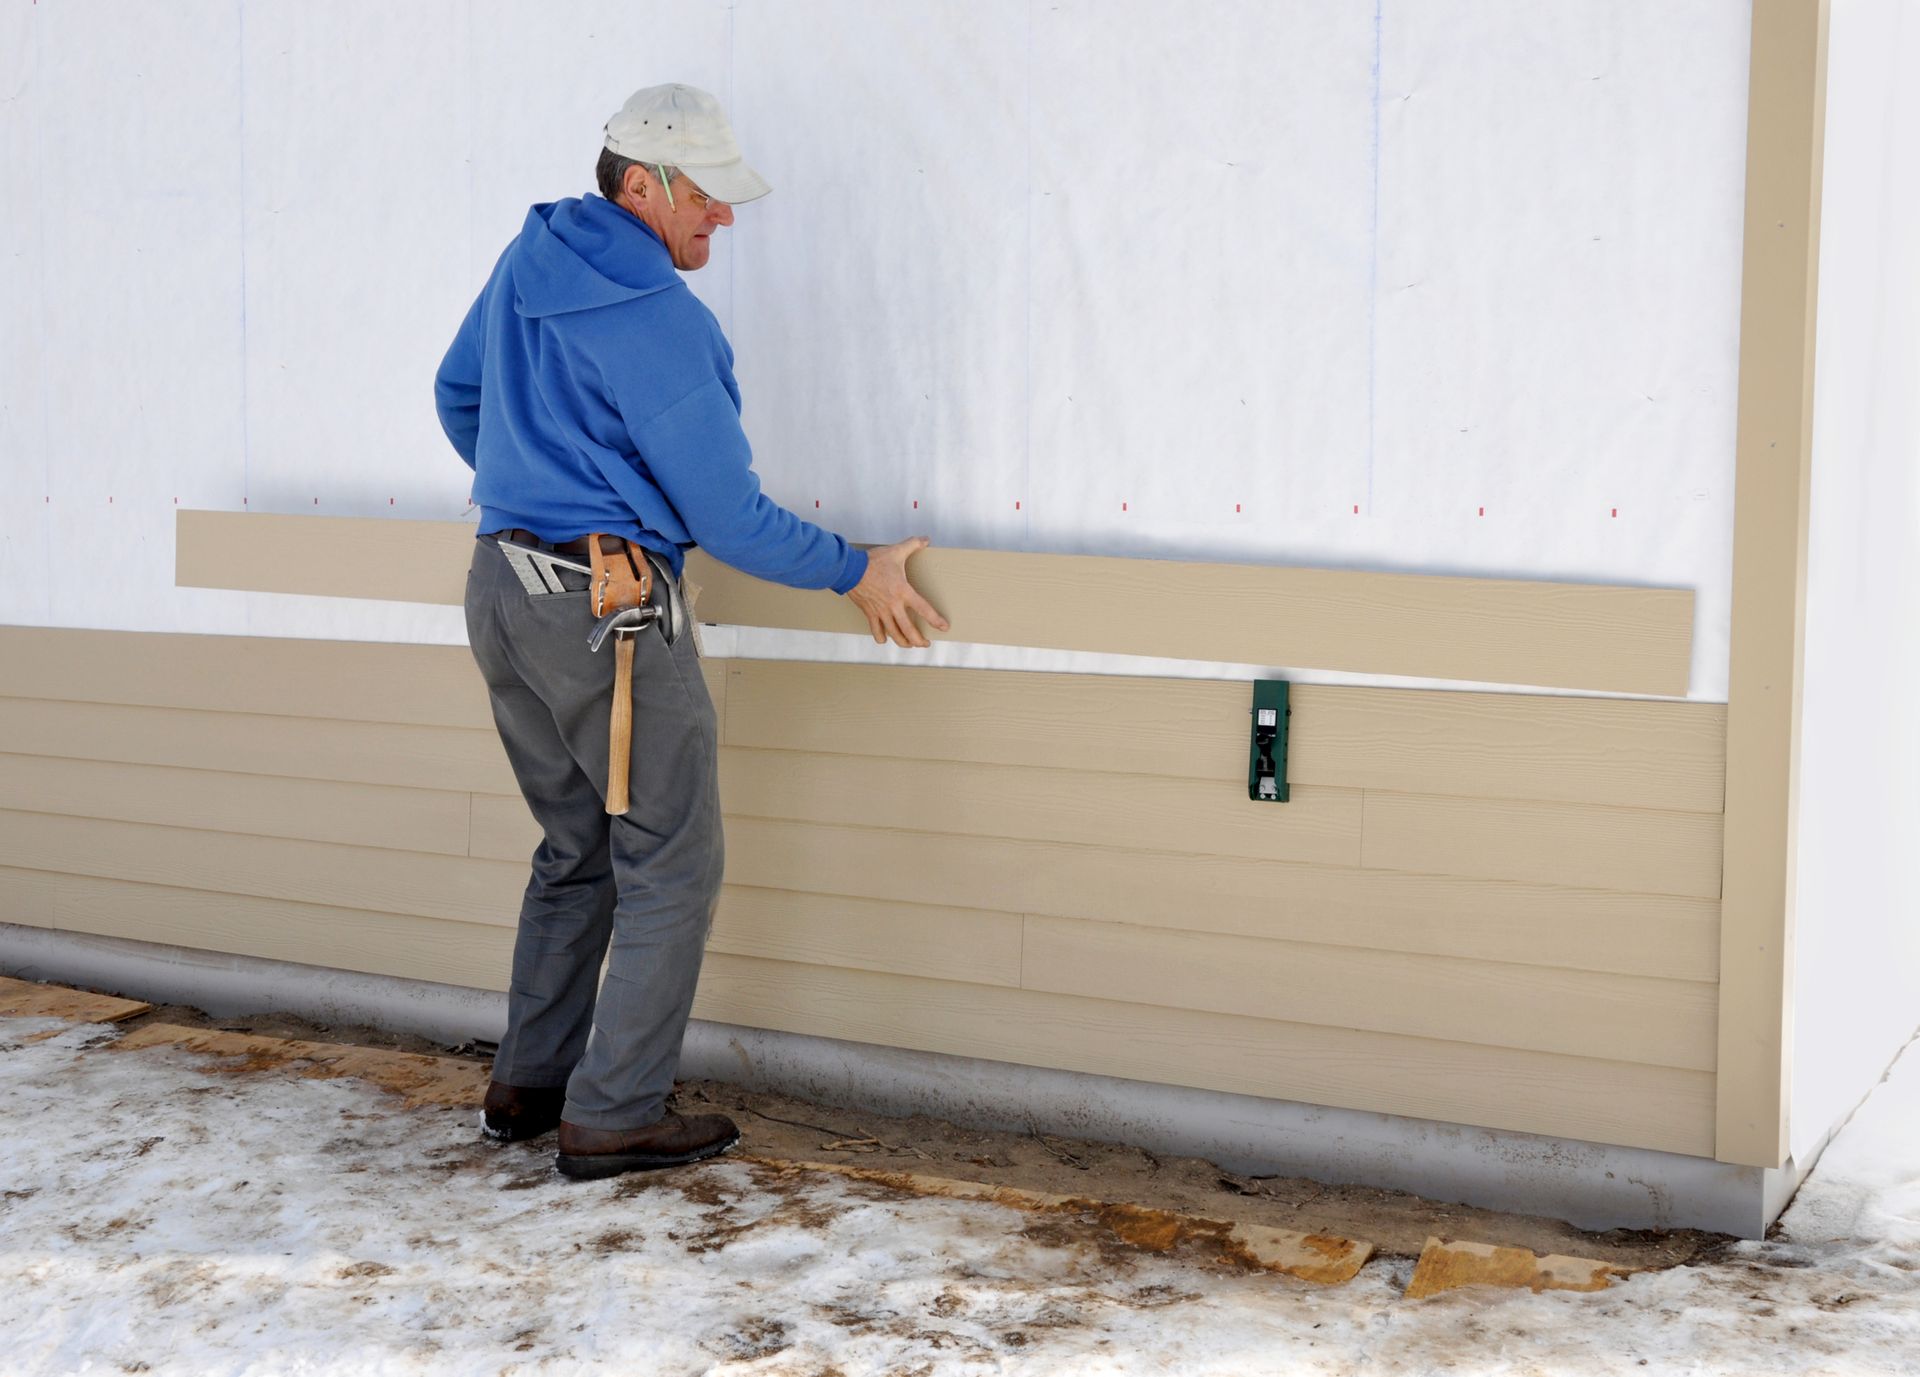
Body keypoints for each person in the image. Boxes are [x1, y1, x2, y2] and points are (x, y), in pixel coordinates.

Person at [433, 83, 947, 1181]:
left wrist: (542, 486)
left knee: (575, 848)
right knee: (671, 861)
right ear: (643, 184)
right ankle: (613, 1114)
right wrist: (858, 570)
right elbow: (729, 519)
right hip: (604, 613)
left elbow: (457, 394)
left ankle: (528, 1087)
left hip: (501, 588)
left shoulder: (530, 259)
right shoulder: (659, 319)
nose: (724, 218)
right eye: (708, 197)